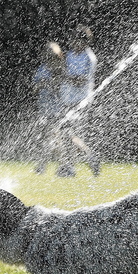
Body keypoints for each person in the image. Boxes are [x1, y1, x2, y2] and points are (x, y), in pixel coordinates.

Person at [55, 25, 100, 177]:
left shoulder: (89, 58)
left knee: (68, 134)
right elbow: (62, 73)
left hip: (80, 102)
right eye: (72, 40)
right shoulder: (68, 56)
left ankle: (73, 166)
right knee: (67, 135)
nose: (73, 43)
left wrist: (68, 77)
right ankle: (85, 159)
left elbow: (82, 80)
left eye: (76, 40)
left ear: (84, 42)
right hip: (67, 100)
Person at [32, 42, 64, 174]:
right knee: (46, 139)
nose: (48, 58)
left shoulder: (61, 69)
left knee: (54, 139)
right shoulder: (42, 69)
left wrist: (50, 83)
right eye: (46, 55)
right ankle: (43, 165)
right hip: (44, 109)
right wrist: (40, 85)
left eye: (51, 55)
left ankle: (64, 165)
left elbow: (61, 88)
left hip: (57, 111)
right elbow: (34, 89)